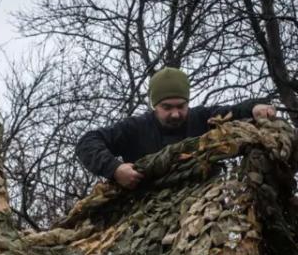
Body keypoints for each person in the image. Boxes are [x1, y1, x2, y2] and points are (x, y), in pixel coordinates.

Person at [75, 67, 276, 189]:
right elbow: (87, 142)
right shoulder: (134, 128)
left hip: (199, 210)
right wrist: (115, 169)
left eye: (181, 106)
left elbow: (236, 111)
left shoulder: (202, 119)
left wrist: (256, 107)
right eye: (167, 107)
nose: (175, 114)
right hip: (144, 216)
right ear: (155, 106)